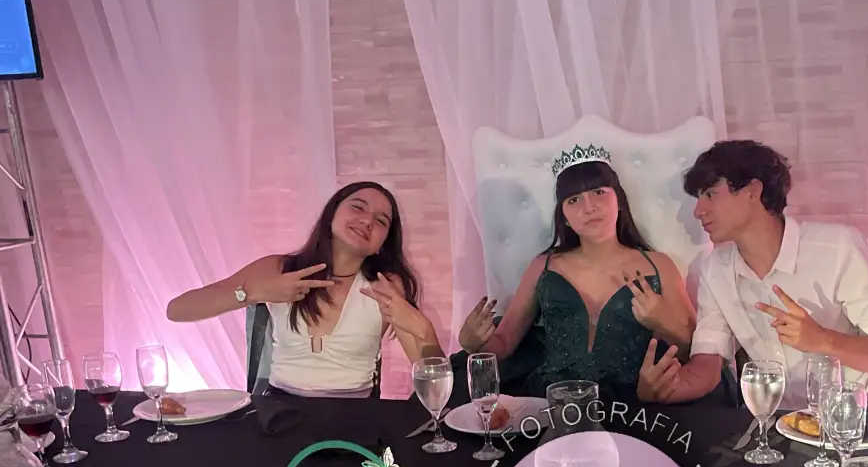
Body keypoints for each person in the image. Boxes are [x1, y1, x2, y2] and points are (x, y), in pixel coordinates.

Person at [637, 140, 868, 406]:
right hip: (779, 421)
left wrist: (823, 340)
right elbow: (707, 364)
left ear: (753, 191)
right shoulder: (716, 268)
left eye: (710, 194)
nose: (698, 211)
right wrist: (667, 388)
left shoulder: (838, 248)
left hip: (856, 418)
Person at [457, 146, 695, 398]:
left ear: (619, 201)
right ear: (564, 216)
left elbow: (694, 350)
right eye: (574, 200)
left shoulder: (659, 266)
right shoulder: (544, 266)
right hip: (550, 400)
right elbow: (505, 343)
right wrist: (473, 345)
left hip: (630, 401)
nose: (588, 207)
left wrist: (665, 322)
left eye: (598, 192)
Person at [166, 181, 443, 397]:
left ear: (382, 243)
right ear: (331, 214)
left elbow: (437, 383)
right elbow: (177, 310)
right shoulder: (278, 268)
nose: (367, 221)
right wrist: (255, 292)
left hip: (356, 419)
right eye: (358, 208)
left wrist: (421, 326)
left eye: (381, 221)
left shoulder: (386, 286)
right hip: (280, 415)